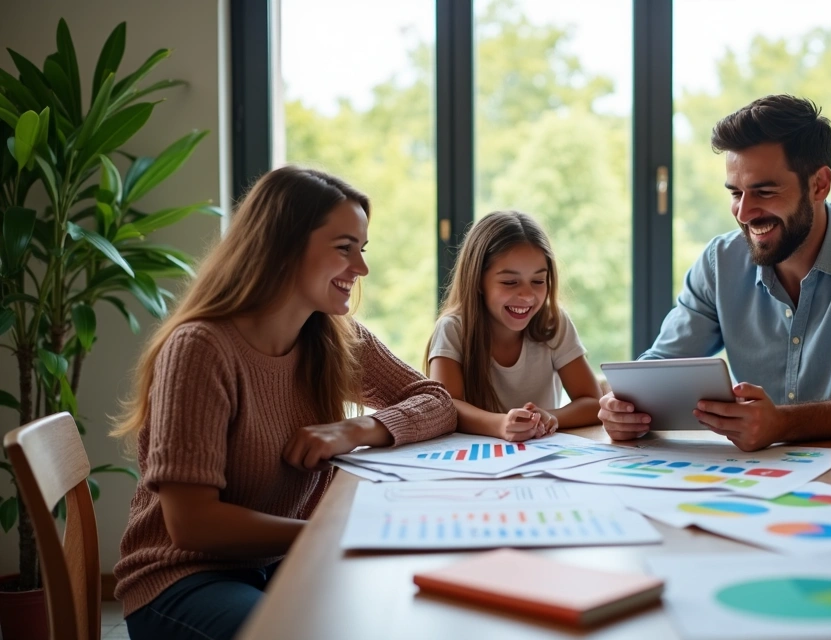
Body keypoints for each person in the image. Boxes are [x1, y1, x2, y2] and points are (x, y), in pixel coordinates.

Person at [111, 167, 458, 639]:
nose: (361, 269)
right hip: (183, 580)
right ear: (284, 245)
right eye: (344, 248)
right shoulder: (200, 348)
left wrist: (354, 430)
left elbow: (435, 400)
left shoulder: (331, 336)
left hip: (279, 564)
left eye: (362, 249)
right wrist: (331, 532)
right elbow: (191, 524)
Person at [599, 94, 831, 451]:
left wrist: (784, 423)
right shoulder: (720, 262)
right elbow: (660, 368)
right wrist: (624, 407)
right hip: (756, 481)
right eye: (735, 193)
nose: (744, 213)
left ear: (819, 184)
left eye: (764, 191)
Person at [426, 210, 602, 441]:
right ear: (478, 281)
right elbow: (445, 407)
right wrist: (500, 425)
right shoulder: (453, 329)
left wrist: (550, 417)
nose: (527, 295)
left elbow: (593, 403)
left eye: (538, 281)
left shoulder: (553, 324)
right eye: (510, 282)